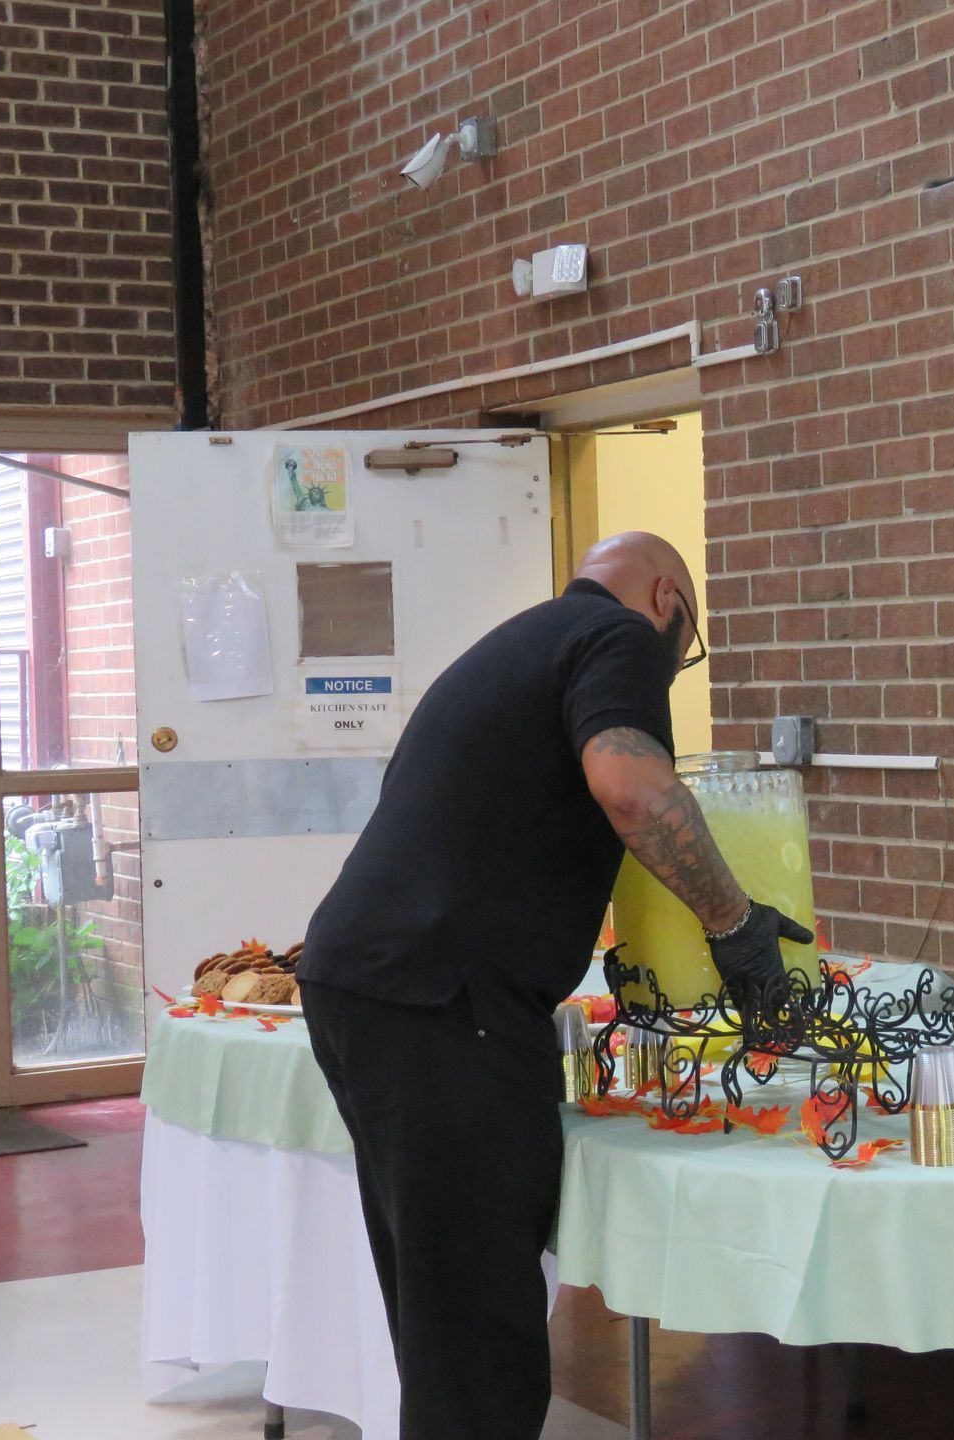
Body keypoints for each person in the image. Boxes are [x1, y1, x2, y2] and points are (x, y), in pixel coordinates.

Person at [295, 531, 812, 1440]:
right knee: (480, 1328)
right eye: (682, 647)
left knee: (443, 1303)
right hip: (443, 1000)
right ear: (664, 599)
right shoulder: (618, 641)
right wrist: (736, 925)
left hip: (363, 981)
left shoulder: (521, 643)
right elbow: (633, 788)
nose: (671, 667)